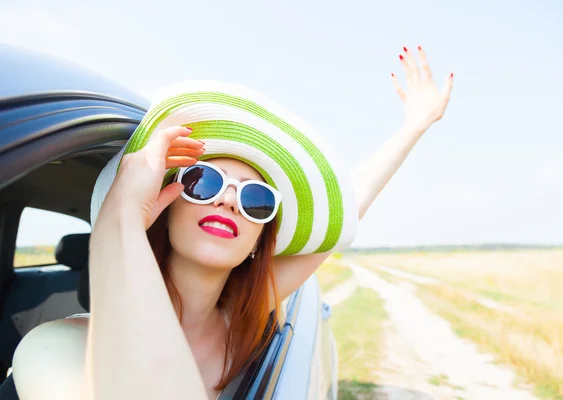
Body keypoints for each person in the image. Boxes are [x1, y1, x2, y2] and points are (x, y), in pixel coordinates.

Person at [11, 46, 453, 400]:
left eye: (256, 199)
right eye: (203, 182)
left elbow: (344, 215)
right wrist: (120, 212)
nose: (228, 201)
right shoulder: (54, 348)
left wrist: (413, 127)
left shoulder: (244, 320)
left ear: (261, 238)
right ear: (160, 206)